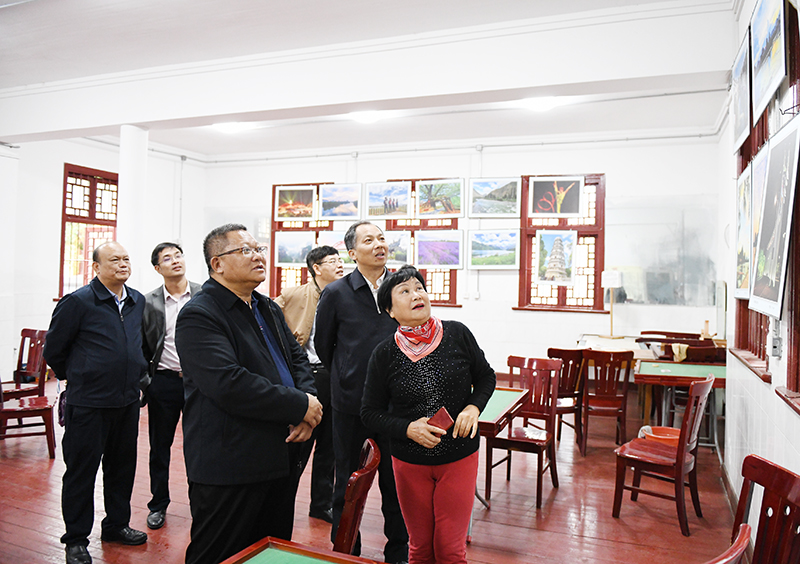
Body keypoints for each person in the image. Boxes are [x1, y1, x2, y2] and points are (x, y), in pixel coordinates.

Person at [175, 223, 322, 564]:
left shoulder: (266, 307)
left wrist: (307, 403)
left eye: (258, 249)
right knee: (220, 553)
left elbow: (297, 358)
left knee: (270, 552)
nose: (258, 256)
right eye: (245, 250)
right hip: (231, 462)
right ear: (217, 264)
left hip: (280, 454)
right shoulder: (200, 314)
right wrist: (299, 405)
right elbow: (229, 384)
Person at [361, 265, 496, 564]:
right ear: (390, 310)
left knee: (450, 550)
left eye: (419, 288)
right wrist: (408, 428)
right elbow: (369, 413)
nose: (416, 295)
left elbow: (486, 376)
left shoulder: (457, 333)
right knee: (420, 549)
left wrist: (473, 407)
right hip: (409, 462)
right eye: (405, 291)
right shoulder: (384, 354)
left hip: (459, 456)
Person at [43, 241, 149, 564]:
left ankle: (116, 525)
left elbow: (139, 344)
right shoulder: (78, 302)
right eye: (114, 259)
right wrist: (81, 376)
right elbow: (54, 350)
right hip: (88, 404)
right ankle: (75, 539)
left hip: (127, 402)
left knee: (122, 469)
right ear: (96, 267)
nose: (122, 264)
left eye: (126, 259)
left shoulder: (137, 300)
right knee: (81, 472)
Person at [315, 221, 409, 563]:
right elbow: (324, 346)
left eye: (382, 238)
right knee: (348, 483)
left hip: (396, 407)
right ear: (352, 253)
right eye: (369, 240)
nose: (379, 244)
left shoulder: (402, 287)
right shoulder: (336, 293)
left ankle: (398, 553)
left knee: (397, 485)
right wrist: (349, 374)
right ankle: (345, 550)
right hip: (351, 405)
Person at [274, 245, 344, 523]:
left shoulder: (344, 295)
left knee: (330, 446)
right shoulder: (294, 294)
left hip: (335, 376)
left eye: (340, 260)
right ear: (317, 268)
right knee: (300, 443)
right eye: (333, 261)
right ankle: (281, 502)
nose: (340, 265)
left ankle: (321, 504)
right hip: (306, 376)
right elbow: (267, 318)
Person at [141, 242, 202, 531]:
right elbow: (141, 345)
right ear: (158, 268)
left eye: (178, 255)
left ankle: (202, 504)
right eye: (167, 258)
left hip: (198, 383)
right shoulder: (148, 302)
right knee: (159, 446)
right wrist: (147, 382)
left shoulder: (204, 294)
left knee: (200, 445)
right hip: (163, 383)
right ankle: (158, 504)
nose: (175, 261)